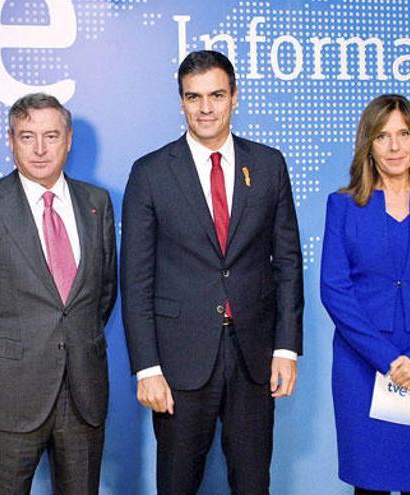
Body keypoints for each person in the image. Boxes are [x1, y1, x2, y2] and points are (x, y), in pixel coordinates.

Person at [120, 50, 304, 494]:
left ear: (234, 97)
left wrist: (286, 347)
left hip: (254, 357)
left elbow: (288, 263)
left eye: (216, 95)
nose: (205, 108)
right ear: (181, 102)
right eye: (194, 97)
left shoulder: (268, 165)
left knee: (252, 482)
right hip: (180, 361)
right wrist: (147, 368)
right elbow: (136, 280)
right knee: (178, 483)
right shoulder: (149, 173)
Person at [0, 93, 117, 495]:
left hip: (82, 394)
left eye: (51, 135)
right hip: (8, 394)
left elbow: (101, 296)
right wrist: (4, 347)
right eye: (27, 136)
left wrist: (70, 340)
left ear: (69, 139)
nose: (40, 149)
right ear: (10, 140)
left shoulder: (97, 203)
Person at [320, 94, 410, 495]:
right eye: (383, 136)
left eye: (403, 134)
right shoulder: (343, 205)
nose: (395, 146)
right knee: (370, 484)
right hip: (363, 366)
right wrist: (388, 359)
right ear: (368, 144)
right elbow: (334, 290)